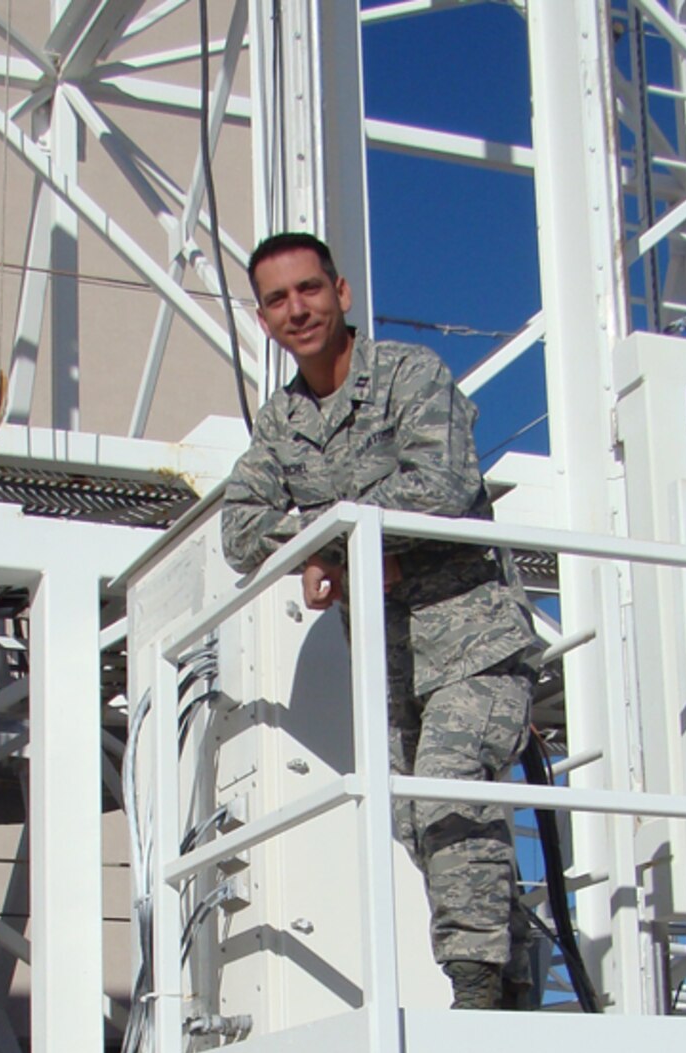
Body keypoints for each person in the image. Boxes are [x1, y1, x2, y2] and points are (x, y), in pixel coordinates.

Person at [221, 231, 544, 1010]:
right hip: (387, 656)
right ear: (262, 320)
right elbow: (238, 526)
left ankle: (474, 992)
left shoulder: (409, 375)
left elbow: (440, 484)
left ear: (341, 292)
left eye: (308, 290)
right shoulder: (282, 424)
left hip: (472, 636)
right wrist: (333, 550)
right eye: (276, 300)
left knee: (447, 790)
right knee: (412, 821)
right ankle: (515, 966)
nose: (296, 310)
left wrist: (334, 539)